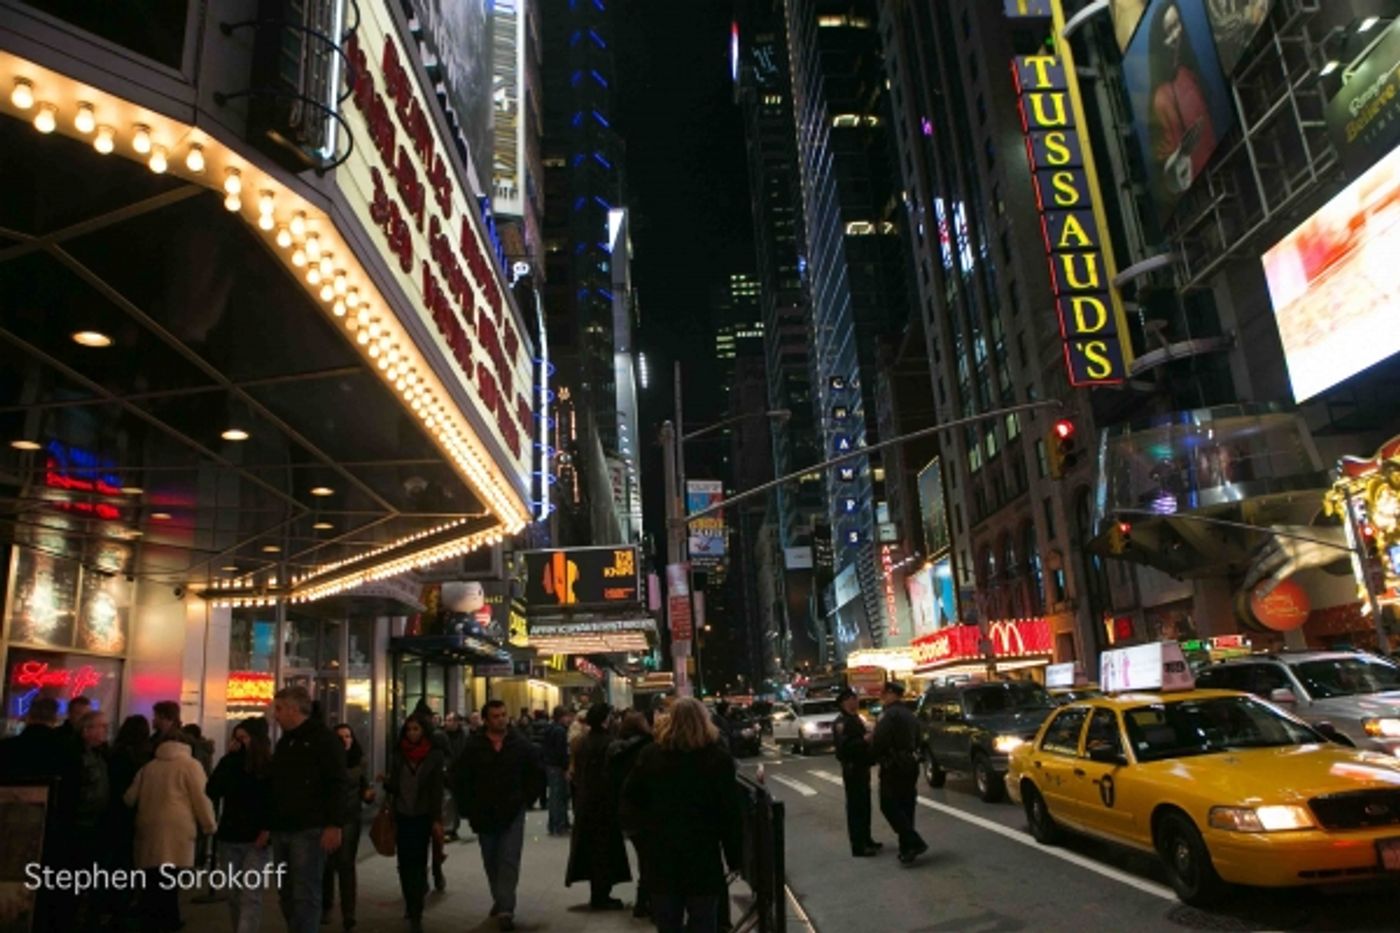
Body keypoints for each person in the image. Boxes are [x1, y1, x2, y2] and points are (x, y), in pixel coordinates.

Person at [623, 697, 741, 933]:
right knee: (704, 921)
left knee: (668, 923)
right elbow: (730, 812)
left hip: (662, 852)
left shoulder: (651, 755)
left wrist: (644, 833)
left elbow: (631, 797)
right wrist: (734, 857)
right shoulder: (717, 758)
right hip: (702, 852)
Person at [261, 685, 350, 933]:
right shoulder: (286, 742)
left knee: (305, 891)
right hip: (283, 826)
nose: (275, 715)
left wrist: (334, 824)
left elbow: (337, 783)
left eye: (279, 709)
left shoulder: (324, 741)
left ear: (293, 709)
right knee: (287, 891)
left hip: (309, 827)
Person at [452, 699, 545, 932]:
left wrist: (526, 798)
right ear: (486, 720)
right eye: (495, 716)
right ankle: (500, 897)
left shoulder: (519, 744)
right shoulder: (475, 746)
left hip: (512, 811)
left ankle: (506, 909)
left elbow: (536, 772)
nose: (501, 719)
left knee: (509, 859)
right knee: (491, 859)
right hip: (484, 812)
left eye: (503, 714)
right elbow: (460, 777)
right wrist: (467, 807)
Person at [0, 697, 82, 932]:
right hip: (56, 831)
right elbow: (75, 793)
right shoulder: (67, 750)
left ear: (29, 716)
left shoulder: (7, 748)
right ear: (54, 718)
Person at [124, 729, 217, 931]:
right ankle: (168, 920)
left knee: (152, 878)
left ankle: (152, 919)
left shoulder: (149, 767)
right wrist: (209, 824)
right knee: (170, 879)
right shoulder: (190, 765)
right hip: (177, 828)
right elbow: (201, 797)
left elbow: (129, 798)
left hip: (148, 826)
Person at [207, 718, 274, 933]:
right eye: (236, 738)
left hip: (256, 839)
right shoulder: (230, 763)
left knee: (250, 895)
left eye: (243, 738)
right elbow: (212, 789)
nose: (239, 743)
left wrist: (267, 829)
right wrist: (228, 758)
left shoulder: (268, 767)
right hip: (230, 835)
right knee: (234, 894)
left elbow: (274, 801)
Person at [1148, 0, 1219, 199]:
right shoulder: (1161, 97)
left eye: (1178, 24)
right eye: (1169, 30)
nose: (1177, 34)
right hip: (1199, 193)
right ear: (1159, 39)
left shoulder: (1190, 75)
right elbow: (1166, 165)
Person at [566, 704, 631, 910]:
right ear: (605, 720)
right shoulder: (610, 743)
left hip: (586, 802)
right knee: (605, 850)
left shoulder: (583, 742)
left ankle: (598, 892)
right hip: (605, 804)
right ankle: (602, 894)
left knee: (592, 850)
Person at [384, 718, 446, 933]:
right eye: (409, 729)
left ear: (424, 731)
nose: (412, 733)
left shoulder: (434, 756)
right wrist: (386, 783)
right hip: (402, 815)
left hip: (423, 815)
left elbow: (437, 790)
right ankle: (410, 902)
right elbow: (394, 785)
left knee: (418, 862)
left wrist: (436, 819)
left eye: (416, 729)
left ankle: (416, 910)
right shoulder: (398, 755)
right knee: (404, 863)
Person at [323, 723, 374, 929]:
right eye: (340, 736)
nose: (345, 740)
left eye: (348, 736)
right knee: (327, 864)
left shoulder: (357, 760)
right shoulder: (327, 762)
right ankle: (326, 905)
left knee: (346, 864)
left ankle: (348, 912)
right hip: (328, 818)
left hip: (350, 816)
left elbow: (364, 787)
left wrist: (368, 795)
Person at [872, 682, 927, 864]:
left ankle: (914, 841)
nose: (882, 696)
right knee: (906, 805)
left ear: (891, 694)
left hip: (893, 763)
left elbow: (879, 740)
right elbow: (919, 738)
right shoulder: (909, 714)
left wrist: (874, 755)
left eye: (884, 693)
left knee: (888, 804)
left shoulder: (889, 714)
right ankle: (907, 849)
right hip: (910, 761)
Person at [103, 715, 150, 927]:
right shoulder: (143, 758)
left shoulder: (114, 754)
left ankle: (114, 902)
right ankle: (126, 901)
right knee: (130, 858)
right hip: (135, 812)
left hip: (113, 812)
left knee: (116, 858)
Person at [608, 710, 654, 919]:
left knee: (644, 856)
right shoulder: (648, 748)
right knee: (650, 859)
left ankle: (644, 900)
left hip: (625, 810)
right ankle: (645, 901)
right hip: (646, 810)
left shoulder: (614, 749)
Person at [833, 688, 881, 857]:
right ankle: (858, 846)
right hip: (852, 768)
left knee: (865, 805)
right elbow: (843, 748)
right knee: (856, 807)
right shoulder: (841, 722)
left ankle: (867, 839)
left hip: (862, 766)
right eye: (853, 698)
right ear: (845, 702)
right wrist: (864, 740)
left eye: (856, 698)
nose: (856, 701)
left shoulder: (855, 718)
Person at [542, 706, 573, 836]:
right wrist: (566, 768)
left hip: (550, 765)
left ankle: (554, 824)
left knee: (554, 796)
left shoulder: (549, 729)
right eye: (567, 716)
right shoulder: (560, 731)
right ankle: (560, 825)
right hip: (558, 766)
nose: (569, 719)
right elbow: (561, 752)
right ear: (561, 717)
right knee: (560, 796)